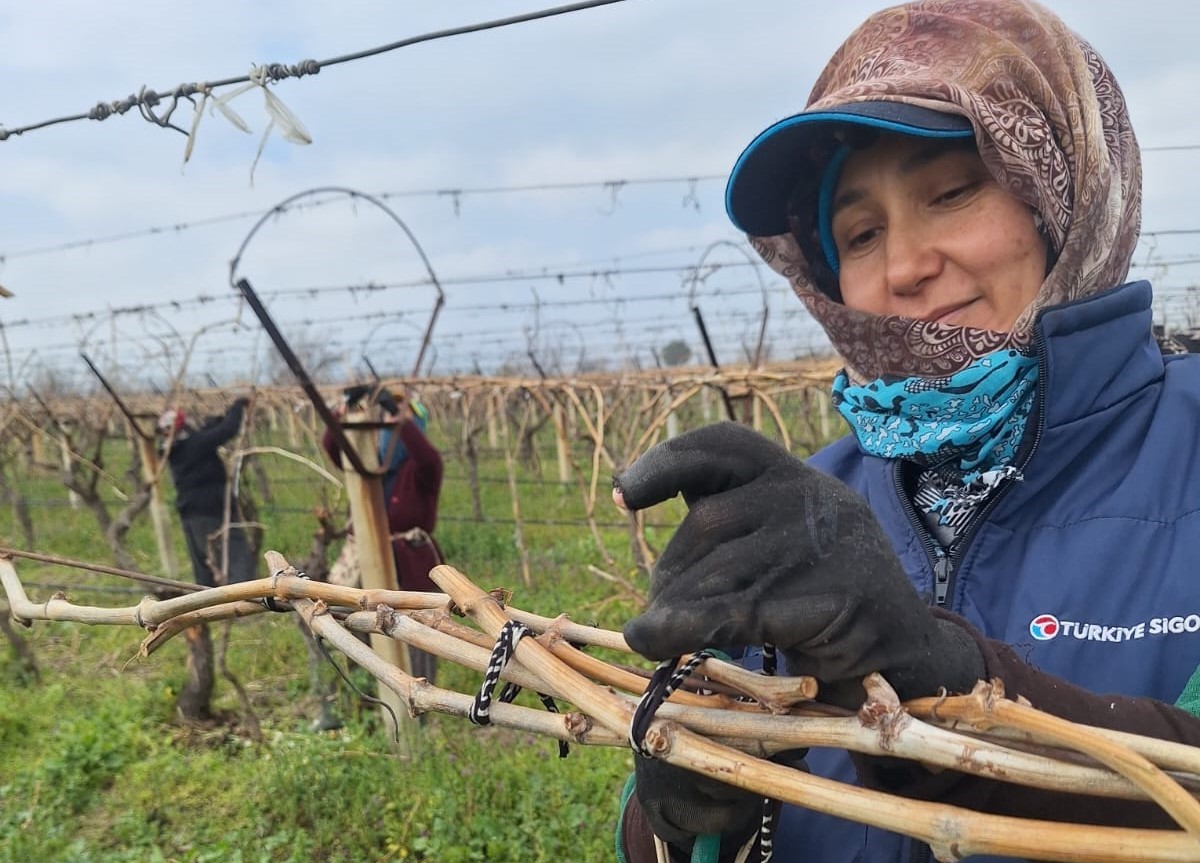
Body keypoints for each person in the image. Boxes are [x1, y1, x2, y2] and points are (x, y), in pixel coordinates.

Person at [612, 2, 1200, 861]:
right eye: (859, 232)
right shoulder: (809, 513)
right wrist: (677, 810)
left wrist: (951, 680)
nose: (903, 266)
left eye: (952, 190)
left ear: (1064, 187)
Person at [322, 388, 445, 684]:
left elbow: (428, 457)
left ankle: (419, 705)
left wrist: (401, 419)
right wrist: (340, 413)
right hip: (367, 562)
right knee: (358, 624)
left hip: (412, 566)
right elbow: (333, 446)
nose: (391, 432)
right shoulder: (370, 466)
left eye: (399, 426)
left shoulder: (420, 472)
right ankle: (370, 690)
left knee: (417, 633)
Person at [158, 398, 256, 588]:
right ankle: (246, 599)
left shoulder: (174, 449)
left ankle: (205, 600)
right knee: (234, 554)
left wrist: (219, 417)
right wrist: (238, 406)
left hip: (190, 510)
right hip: (211, 509)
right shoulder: (194, 446)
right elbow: (226, 431)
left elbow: (206, 433)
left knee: (203, 559)